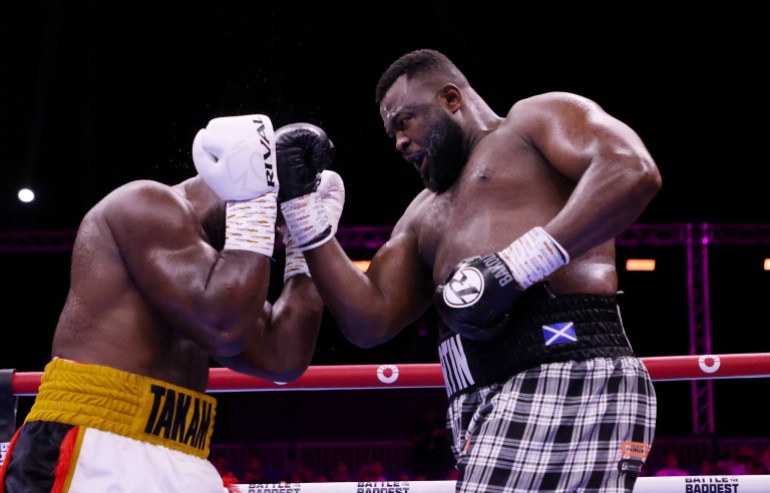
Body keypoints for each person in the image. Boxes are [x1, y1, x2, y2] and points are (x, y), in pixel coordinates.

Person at [276, 49, 661, 492]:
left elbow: (632, 170)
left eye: (405, 121)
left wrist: (521, 262)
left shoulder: (533, 121)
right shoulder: (421, 216)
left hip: (563, 369)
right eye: (391, 134)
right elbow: (369, 321)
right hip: (478, 400)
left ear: (451, 98)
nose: (399, 142)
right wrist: (306, 216)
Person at [0, 114, 343, 493]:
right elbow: (225, 330)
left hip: (182, 450)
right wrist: (255, 203)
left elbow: (284, 358)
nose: (272, 236)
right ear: (245, 186)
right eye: (270, 220)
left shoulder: (216, 277)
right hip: (95, 442)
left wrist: (305, 248)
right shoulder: (143, 204)